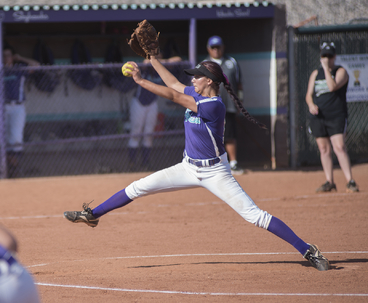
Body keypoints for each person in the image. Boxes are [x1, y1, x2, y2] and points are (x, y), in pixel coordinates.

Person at [64, 57, 331, 272]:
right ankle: (94, 215)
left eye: (197, 75)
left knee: (255, 216)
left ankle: (308, 250)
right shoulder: (197, 92)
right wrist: (152, 58)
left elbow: (172, 95)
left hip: (215, 172)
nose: (192, 79)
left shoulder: (214, 105)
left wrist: (141, 80)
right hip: (188, 167)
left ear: (210, 81)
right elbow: (172, 82)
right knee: (138, 187)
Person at [305, 41, 358, 193]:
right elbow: (308, 95)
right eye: (324, 55)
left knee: (339, 147)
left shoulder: (341, 71)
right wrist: (311, 105)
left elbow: (332, 86)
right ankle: (330, 181)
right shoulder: (315, 73)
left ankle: (350, 181)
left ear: (335, 56)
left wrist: (327, 69)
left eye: (330, 55)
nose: (327, 58)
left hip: (336, 115)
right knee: (323, 148)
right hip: (318, 117)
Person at [128, 54, 182, 169]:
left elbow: (178, 60)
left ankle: (146, 163)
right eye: (154, 57)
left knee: (149, 134)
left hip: (152, 104)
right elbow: (146, 62)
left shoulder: (161, 71)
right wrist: (154, 60)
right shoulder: (146, 69)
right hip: (139, 103)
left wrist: (160, 62)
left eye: (158, 56)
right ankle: (132, 163)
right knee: (136, 133)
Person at [204, 36, 244, 175]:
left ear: (223, 47)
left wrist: (240, 102)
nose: (216, 50)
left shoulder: (231, 62)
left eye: (218, 47)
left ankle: (233, 163)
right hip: (211, 107)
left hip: (229, 106)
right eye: (213, 47)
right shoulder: (204, 64)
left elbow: (239, 84)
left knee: (230, 134)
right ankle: (212, 164)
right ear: (209, 49)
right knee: (211, 135)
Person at [3, 46, 40, 177]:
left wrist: (20, 58)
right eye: (4, 55)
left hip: (17, 107)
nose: (6, 58)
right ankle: (6, 168)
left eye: (8, 55)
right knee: (4, 137)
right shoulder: (0, 71)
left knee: (16, 137)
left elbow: (36, 66)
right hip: (3, 106)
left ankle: (15, 167)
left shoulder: (18, 69)